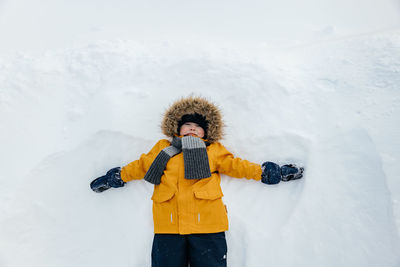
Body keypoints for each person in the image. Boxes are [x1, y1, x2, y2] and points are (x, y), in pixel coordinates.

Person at [90, 96, 304, 267]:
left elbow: (237, 166)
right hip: (168, 227)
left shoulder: (212, 150)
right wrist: (116, 177)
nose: (192, 128)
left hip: (208, 226)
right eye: (187, 125)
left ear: (206, 132)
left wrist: (266, 173)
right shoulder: (163, 149)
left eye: (197, 126)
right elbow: (141, 166)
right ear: (177, 129)